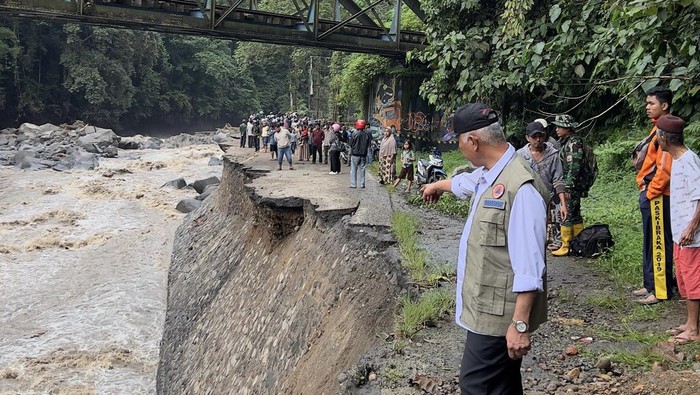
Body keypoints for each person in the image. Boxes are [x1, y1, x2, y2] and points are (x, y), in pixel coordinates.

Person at [421, 103, 549, 394]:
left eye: (458, 142)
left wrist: (519, 324)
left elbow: (530, 266)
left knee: (477, 386)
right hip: (487, 309)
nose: (459, 148)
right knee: (501, 386)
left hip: (498, 318)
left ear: (472, 141)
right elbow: (468, 183)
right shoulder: (492, 172)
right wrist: (439, 185)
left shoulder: (521, 188)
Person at [656, 114, 700, 343]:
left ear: (664, 138)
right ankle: (689, 322)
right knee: (683, 278)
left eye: (657, 135)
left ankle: (693, 329)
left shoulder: (690, 160)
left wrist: (691, 227)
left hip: (691, 235)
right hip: (680, 233)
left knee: (693, 279)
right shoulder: (677, 160)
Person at [633, 86, 676, 305]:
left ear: (664, 105)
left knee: (659, 241)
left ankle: (660, 291)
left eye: (651, 103)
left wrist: (650, 192)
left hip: (659, 195)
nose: (647, 107)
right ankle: (650, 284)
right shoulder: (656, 127)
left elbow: (665, 167)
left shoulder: (666, 128)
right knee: (651, 240)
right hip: (651, 192)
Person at [517, 121, 569, 249]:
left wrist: (563, 204)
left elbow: (558, 179)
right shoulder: (520, 156)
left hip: (549, 198)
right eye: (534, 137)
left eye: (540, 136)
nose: (538, 140)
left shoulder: (553, 154)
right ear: (527, 138)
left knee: (547, 237)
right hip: (527, 199)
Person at [550, 114, 586, 257]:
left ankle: (566, 245)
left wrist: (568, 188)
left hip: (571, 185)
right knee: (575, 214)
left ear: (568, 128)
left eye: (560, 126)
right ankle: (579, 243)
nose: (557, 129)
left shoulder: (573, 144)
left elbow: (574, 167)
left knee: (567, 214)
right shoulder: (567, 142)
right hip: (572, 185)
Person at [349, 119, 372, 188]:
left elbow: (351, 143)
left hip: (355, 154)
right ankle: (362, 184)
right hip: (363, 154)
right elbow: (368, 144)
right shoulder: (366, 134)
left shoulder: (354, 133)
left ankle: (353, 184)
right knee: (362, 169)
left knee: (353, 169)